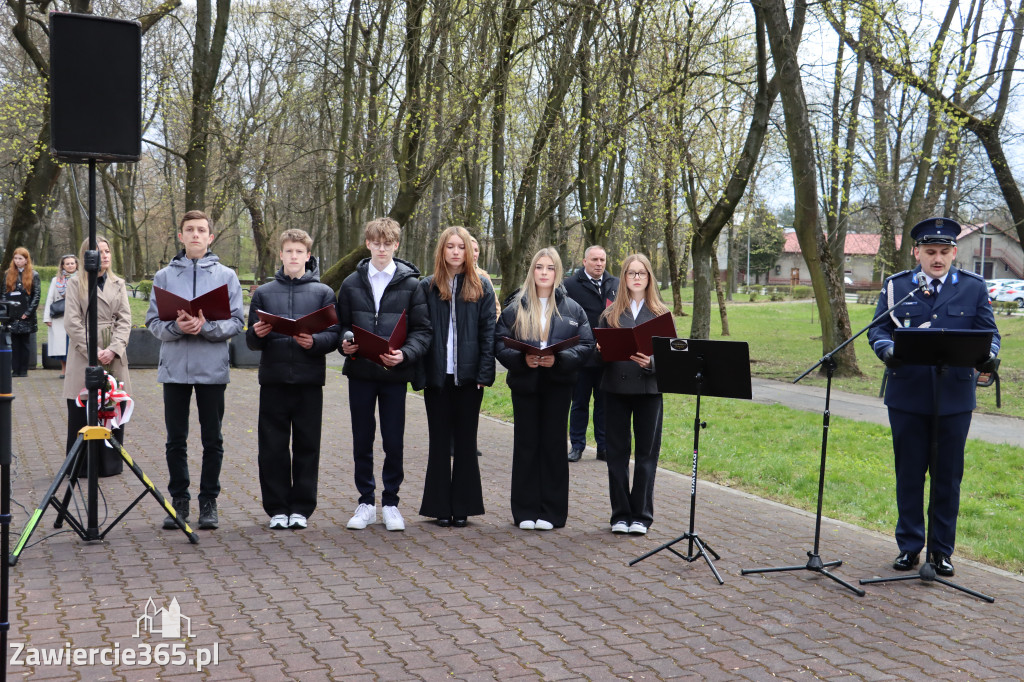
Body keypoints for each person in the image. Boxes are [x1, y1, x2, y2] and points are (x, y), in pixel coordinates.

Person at [867, 217, 1000, 577]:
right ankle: (909, 547)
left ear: (954, 253)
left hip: (954, 397)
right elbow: (879, 328)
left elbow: (989, 333)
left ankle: (941, 551)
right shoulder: (898, 286)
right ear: (917, 253)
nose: (937, 258)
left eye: (944, 251)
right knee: (909, 474)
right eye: (930, 252)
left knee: (947, 478)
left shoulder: (972, 287)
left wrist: (989, 356)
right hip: (907, 394)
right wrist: (886, 350)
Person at [146, 210, 244, 531]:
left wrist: (206, 327)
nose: (196, 235)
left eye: (202, 230)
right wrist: (177, 327)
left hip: (211, 369)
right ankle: (179, 501)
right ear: (181, 236)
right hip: (174, 369)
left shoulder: (226, 276)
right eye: (190, 229)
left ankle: (208, 501)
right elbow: (152, 322)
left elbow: (237, 322)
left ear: (210, 237)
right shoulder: (163, 277)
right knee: (176, 440)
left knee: (212, 439)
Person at [337, 217, 431, 532]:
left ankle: (391, 503)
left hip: (394, 375)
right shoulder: (351, 283)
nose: (381, 249)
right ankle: (366, 502)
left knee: (393, 440)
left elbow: (422, 331)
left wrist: (405, 354)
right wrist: (345, 343)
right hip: (361, 372)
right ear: (367, 244)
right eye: (376, 243)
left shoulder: (412, 285)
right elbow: (341, 326)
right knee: (362, 440)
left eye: (387, 243)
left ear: (396, 245)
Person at [495, 247, 594, 530]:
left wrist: (559, 359)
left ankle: (552, 512)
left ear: (557, 272)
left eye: (550, 268)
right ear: (532, 271)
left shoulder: (572, 309)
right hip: (525, 386)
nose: (544, 273)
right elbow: (499, 342)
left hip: (558, 386)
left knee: (553, 446)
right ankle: (525, 511)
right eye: (539, 267)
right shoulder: (516, 307)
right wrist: (522, 359)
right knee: (526, 446)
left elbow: (586, 344)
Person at [247, 229, 339, 530]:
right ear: (281, 255)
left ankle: (301, 508)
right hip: (273, 381)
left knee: (307, 447)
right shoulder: (263, 293)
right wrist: (257, 334)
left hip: (308, 381)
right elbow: (251, 341)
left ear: (308, 256)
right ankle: (276, 509)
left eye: (299, 252)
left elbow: (334, 335)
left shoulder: (323, 293)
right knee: (272, 448)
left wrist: (315, 342)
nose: (294, 256)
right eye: (289, 251)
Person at [417, 226, 496, 527]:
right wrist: (422, 373)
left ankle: (464, 505)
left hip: (469, 378)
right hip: (437, 377)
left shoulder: (482, 286)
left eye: (461, 247)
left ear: (468, 251)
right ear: (442, 250)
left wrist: (484, 372)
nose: (455, 252)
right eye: (450, 246)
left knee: (465, 442)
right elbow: (420, 331)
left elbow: (488, 333)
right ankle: (439, 505)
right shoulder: (427, 286)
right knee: (438, 442)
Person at [597, 254, 669, 536]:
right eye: (631, 273)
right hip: (616, 388)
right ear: (624, 278)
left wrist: (652, 363)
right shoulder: (610, 314)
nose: (637, 278)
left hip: (649, 390)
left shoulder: (661, 313)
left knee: (646, 454)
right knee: (616, 454)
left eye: (642, 273)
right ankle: (620, 514)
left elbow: (673, 357)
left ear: (649, 278)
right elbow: (597, 356)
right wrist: (600, 351)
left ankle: (641, 516)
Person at [63, 237, 132, 476]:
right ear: (87, 256)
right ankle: (81, 465)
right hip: (84, 352)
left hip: (113, 352)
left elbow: (125, 319)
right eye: (99, 252)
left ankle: (110, 464)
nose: (105, 256)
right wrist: (92, 351)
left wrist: (114, 348)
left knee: (112, 406)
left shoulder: (119, 283)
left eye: (107, 251)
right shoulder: (75, 283)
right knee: (81, 409)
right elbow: (71, 322)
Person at [563, 245, 618, 462]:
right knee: (579, 403)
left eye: (602, 260)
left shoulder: (615, 284)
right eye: (594, 260)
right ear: (585, 261)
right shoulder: (570, 285)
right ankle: (577, 445)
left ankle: (603, 447)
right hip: (582, 356)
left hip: (607, 357)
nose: (599, 264)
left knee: (604, 405)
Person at [3, 247, 41, 378]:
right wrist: (7, 311)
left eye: (20, 258)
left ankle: (24, 369)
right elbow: (4, 293)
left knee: (25, 343)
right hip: (12, 314)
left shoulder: (34, 274)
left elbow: (36, 296)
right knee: (14, 342)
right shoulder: (8, 274)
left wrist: (28, 312)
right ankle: (15, 369)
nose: (17, 261)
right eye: (15, 258)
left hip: (26, 314)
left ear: (26, 260)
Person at [43, 254, 78, 377]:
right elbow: (50, 298)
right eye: (67, 263)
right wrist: (47, 318)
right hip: (60, 316)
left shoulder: (82, 278)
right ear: (63, 266)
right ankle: (64, 369)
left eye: (72, 263)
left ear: (76, 264)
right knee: (62, 345)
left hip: (76, 316)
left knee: (75, 343)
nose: (70, 265)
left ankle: (75, 370)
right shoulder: (56, 280)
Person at [468, 235, 501, 319]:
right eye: (470, 249)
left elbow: (495, 308)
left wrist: (493, 325)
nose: (474, 254)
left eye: (476, 250)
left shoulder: (484, 276)